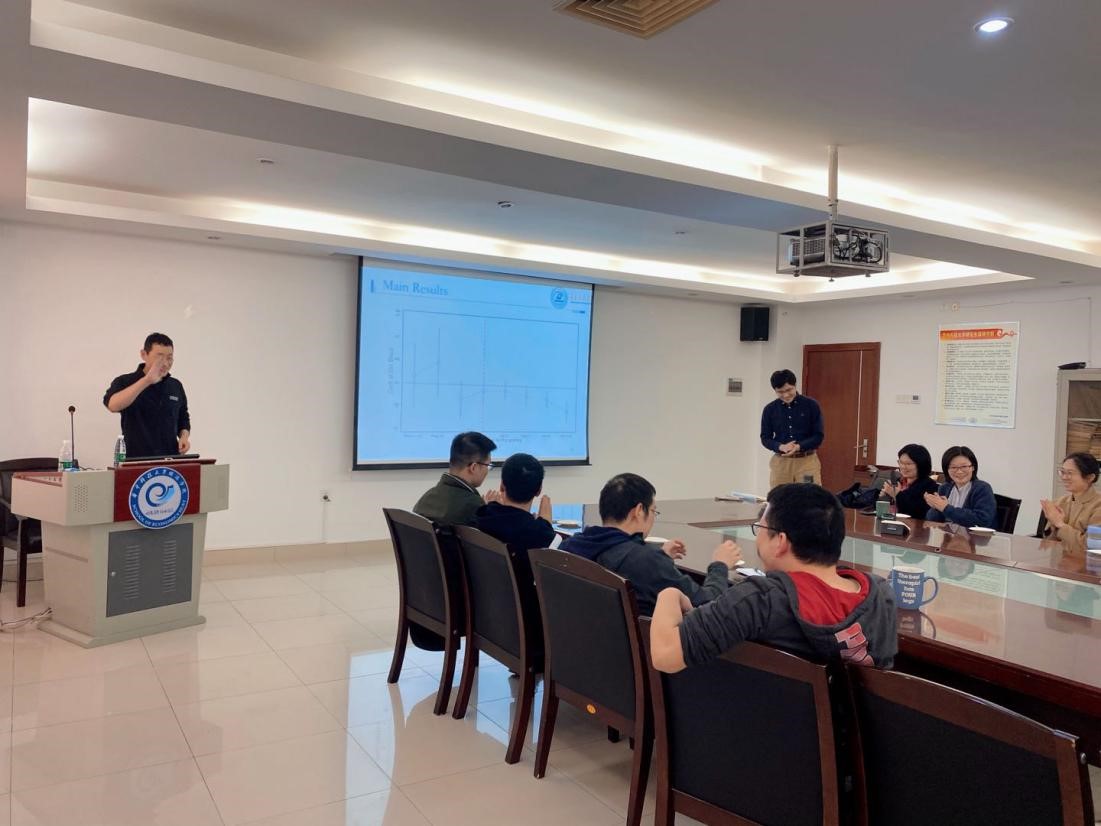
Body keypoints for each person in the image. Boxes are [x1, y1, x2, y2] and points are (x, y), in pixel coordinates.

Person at [649, 483, 897, 673]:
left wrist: (668, 595)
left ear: (780, 541)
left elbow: (665, 656)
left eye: (760, 528)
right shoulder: (879, 593)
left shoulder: (760, 600)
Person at [562, 473, 741, 616]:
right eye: (654, 511)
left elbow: (625, 554)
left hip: (581, 645)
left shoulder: (569, 547)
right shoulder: (646, 562)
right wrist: (720, 565)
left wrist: (658, 555)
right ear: (639, 511)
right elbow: (708, 604)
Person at [103, 332, 191, 458]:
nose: (165, 363)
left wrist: (184, 437)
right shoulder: (124, 381)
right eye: (159, 357)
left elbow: (183, 418)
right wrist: (147, 380)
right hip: (135, 460)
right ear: (144, 354)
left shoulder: (175, 385)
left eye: (169, 358)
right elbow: (112, 405)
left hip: (170, 460)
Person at [475, 452, 560, 554]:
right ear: (539, 490)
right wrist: (546, 525)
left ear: (502, 485)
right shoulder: (539, 534)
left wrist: (492, 506)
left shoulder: (482, 515)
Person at [413, 432, 499, 526]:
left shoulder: (428, 497)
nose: (487, 470)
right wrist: (488, 512)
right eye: (488, 465)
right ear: (473, 467)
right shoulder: (474, 506)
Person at [760, 369, 824, 488]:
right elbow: (765, 438)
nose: (785, 395)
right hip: (781, 464)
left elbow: (818, 436)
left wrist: (798, 446)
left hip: (807, 462)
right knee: (780, 497)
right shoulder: (770, 409)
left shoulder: (811, 405)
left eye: (789, 390)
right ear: (775, 390)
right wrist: (780, 447)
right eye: (780, 392)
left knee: (809, 496)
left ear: (795, 385)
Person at [1040, 452, 1101, 554]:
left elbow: (1093, 548)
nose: (1064, 477)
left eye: (1070, 473)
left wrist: (1060, 524)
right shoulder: (1059, 502)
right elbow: (1049, 544)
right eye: (1062, 472)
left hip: (1088, 563)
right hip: (1061, 561)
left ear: (1090, 477)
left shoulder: (1098, 505)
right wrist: (1053, 526)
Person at [924, 446, 997, 529]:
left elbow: (983, 520)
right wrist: (936, 508)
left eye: (964, 466)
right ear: (947, 470)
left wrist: (946, 508)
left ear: (973, 467)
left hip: (973, 537)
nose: (959, 471)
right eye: (953, 467)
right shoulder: (944, 488)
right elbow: (932, 521)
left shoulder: (982, 488)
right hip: (947, 535)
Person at [880, 444, 938, 517]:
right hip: (889, 521)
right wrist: (883, 497)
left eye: (908, 464)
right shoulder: (898, 482)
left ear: (921, 465)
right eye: (901, 462)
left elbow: (917, 512)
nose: (903, 467)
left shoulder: (930, 486)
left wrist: (897, 494)